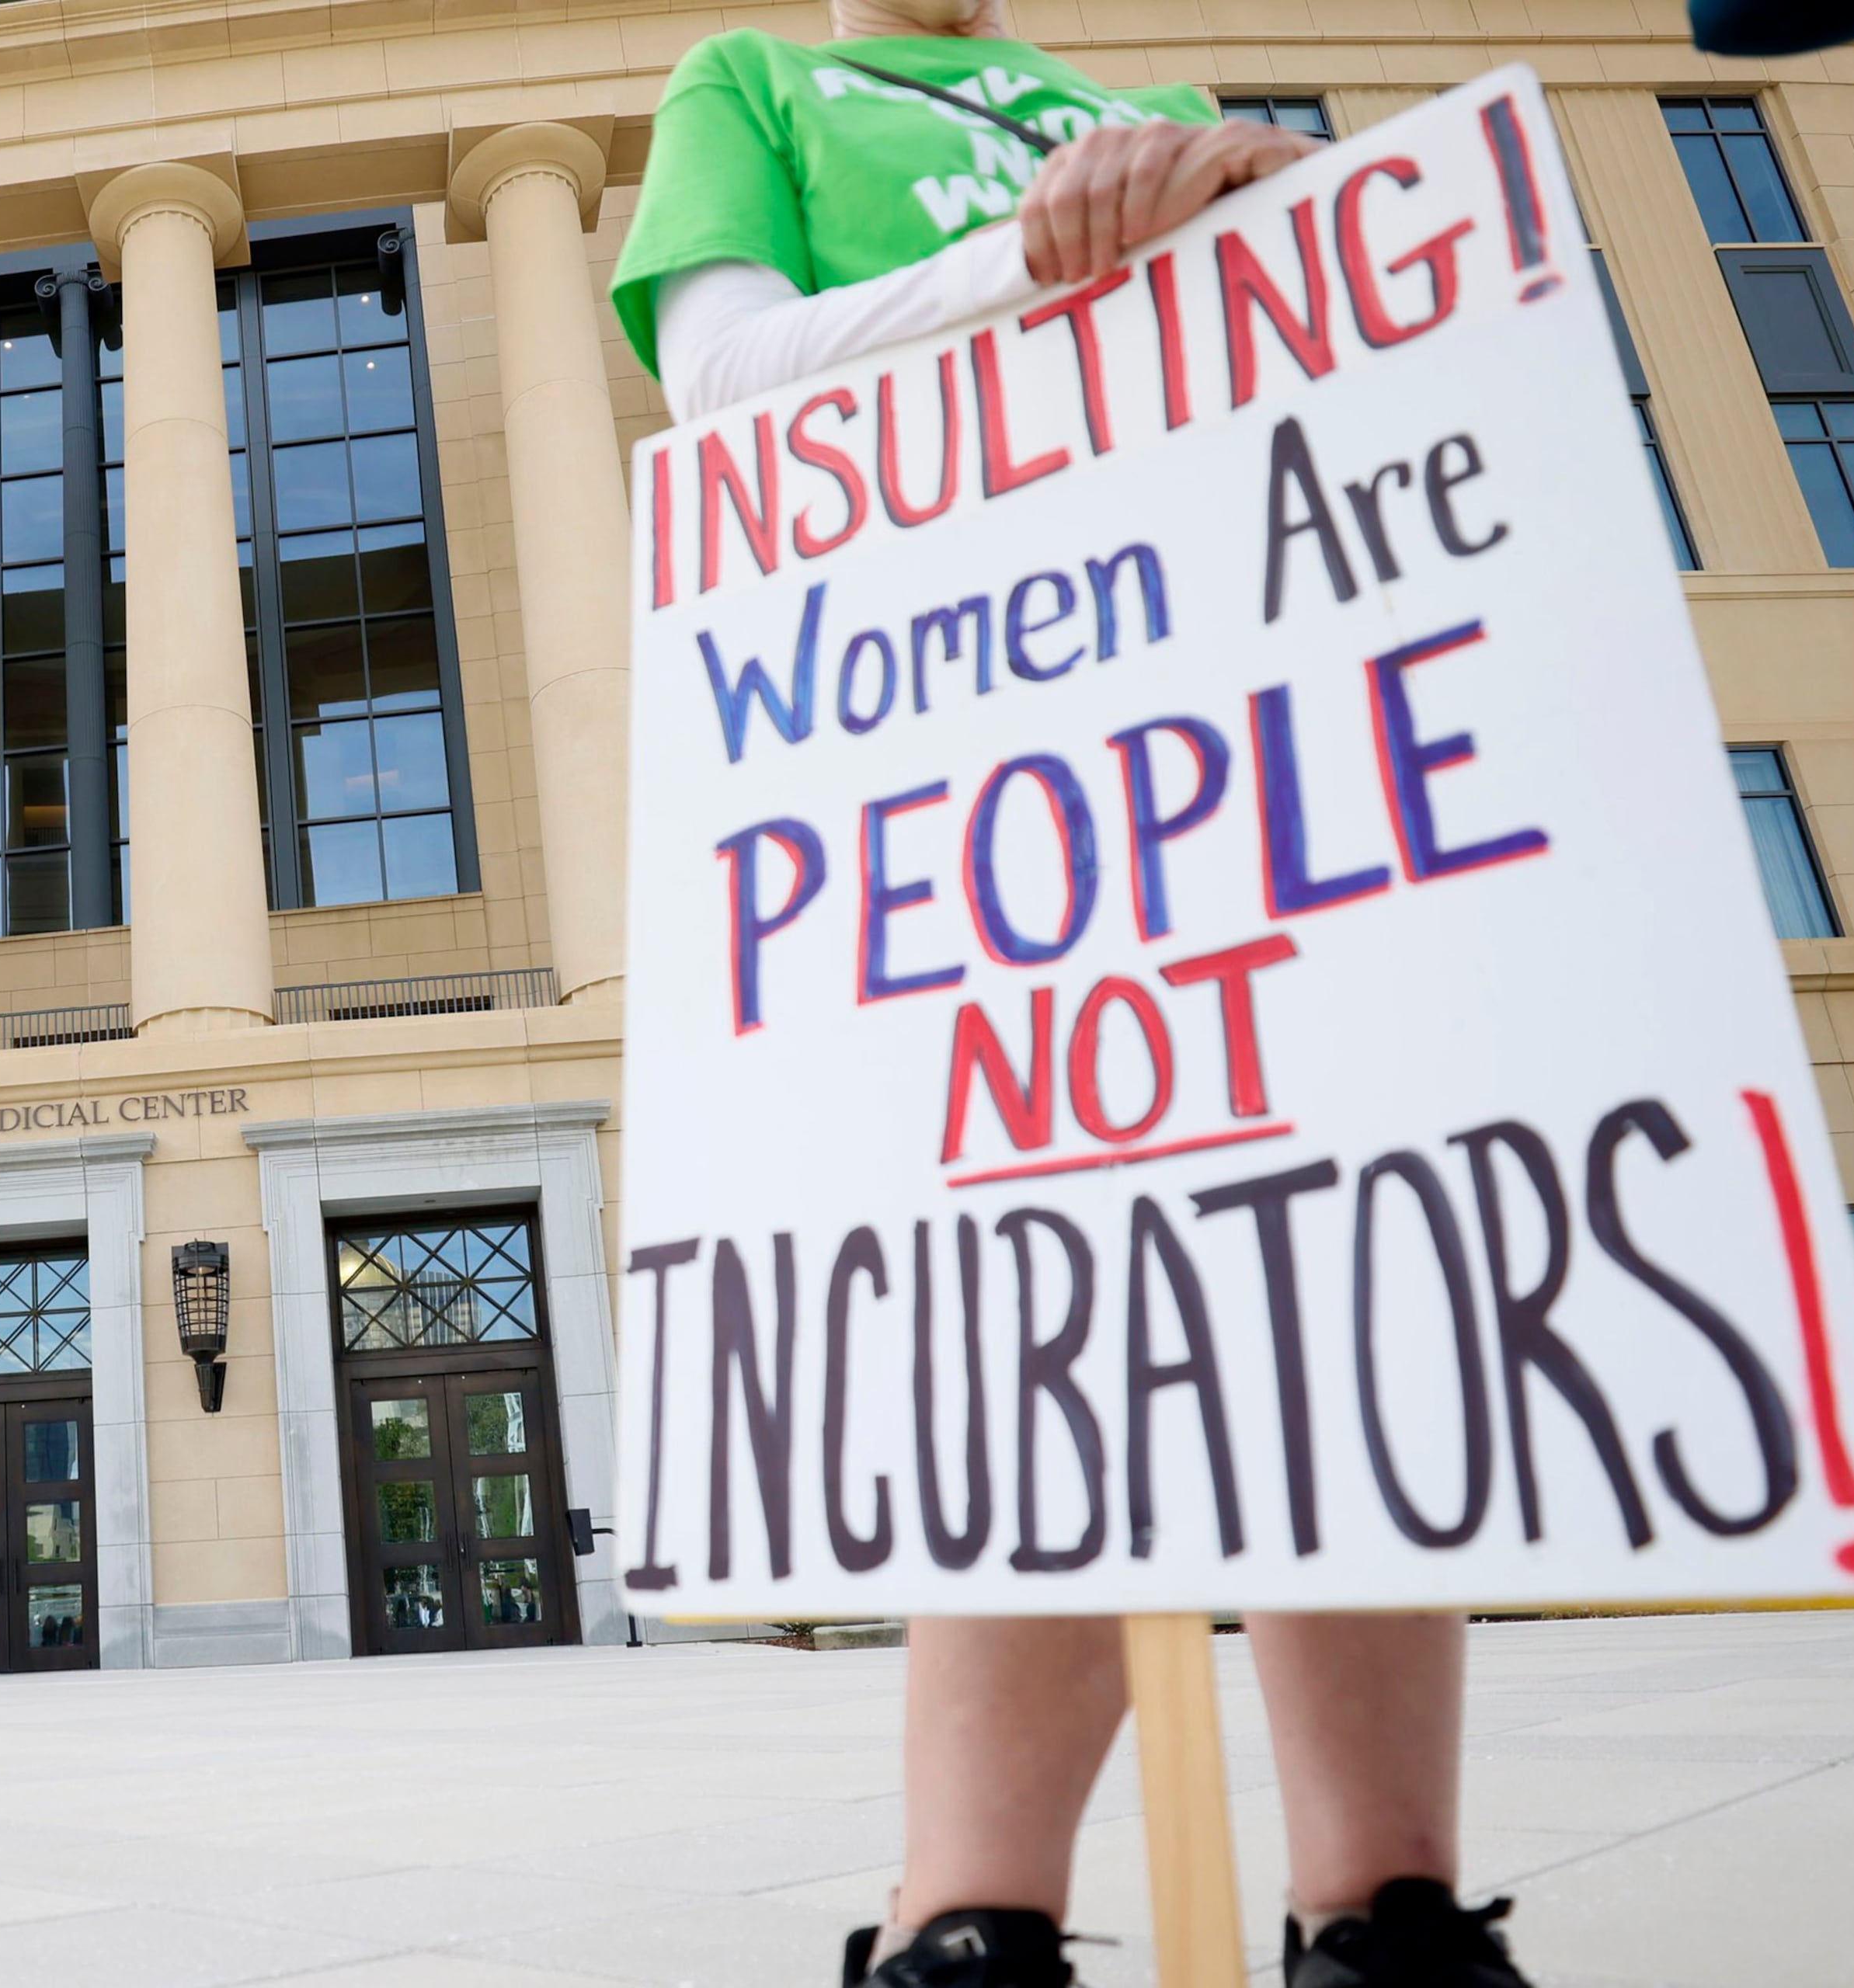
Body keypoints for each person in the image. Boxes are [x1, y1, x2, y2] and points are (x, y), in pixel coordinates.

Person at [610, 9, 1522, 1988]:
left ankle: (1384, 1914)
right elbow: (724, 383)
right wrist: (1029, 258)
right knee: (1038, 1283)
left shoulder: (1162, 114)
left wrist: (1306, 225)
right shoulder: (752, 80)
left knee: (1314, 1267)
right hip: (957, 718)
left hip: (1229, 706)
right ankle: (968, 1919)